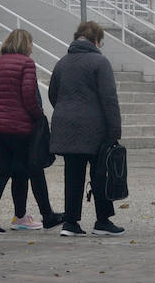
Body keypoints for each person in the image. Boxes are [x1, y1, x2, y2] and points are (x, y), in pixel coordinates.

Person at [0, 29, 62, 235]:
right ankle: (46, 215)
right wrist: (37, 116)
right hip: (19, 128)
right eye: (31, 44)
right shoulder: (26, 64)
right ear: (26, 45)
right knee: (32, 169)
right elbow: (28, 94)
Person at [48, 20, 123, 237]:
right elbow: (109, 99)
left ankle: (70, 222)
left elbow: (54, 94)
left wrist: (67, 112)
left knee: (72, 173)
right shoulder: (100, 63)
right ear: (97, 40)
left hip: (65, 125)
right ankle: (102, 221)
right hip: (94, 127)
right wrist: (114, 130)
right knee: (101, 173)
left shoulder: (62, 63)